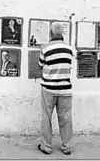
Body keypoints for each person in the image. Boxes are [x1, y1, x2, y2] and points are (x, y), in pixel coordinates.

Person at [38, 22, 74, 155]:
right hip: (65, 89)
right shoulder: (69, 48)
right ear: (62, 33)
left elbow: (40, 64)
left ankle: (46, 147)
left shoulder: (45, 48)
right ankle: (67, 147)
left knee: (46, 117)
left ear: (51, 33)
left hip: (48, 88)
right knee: (66, 118)